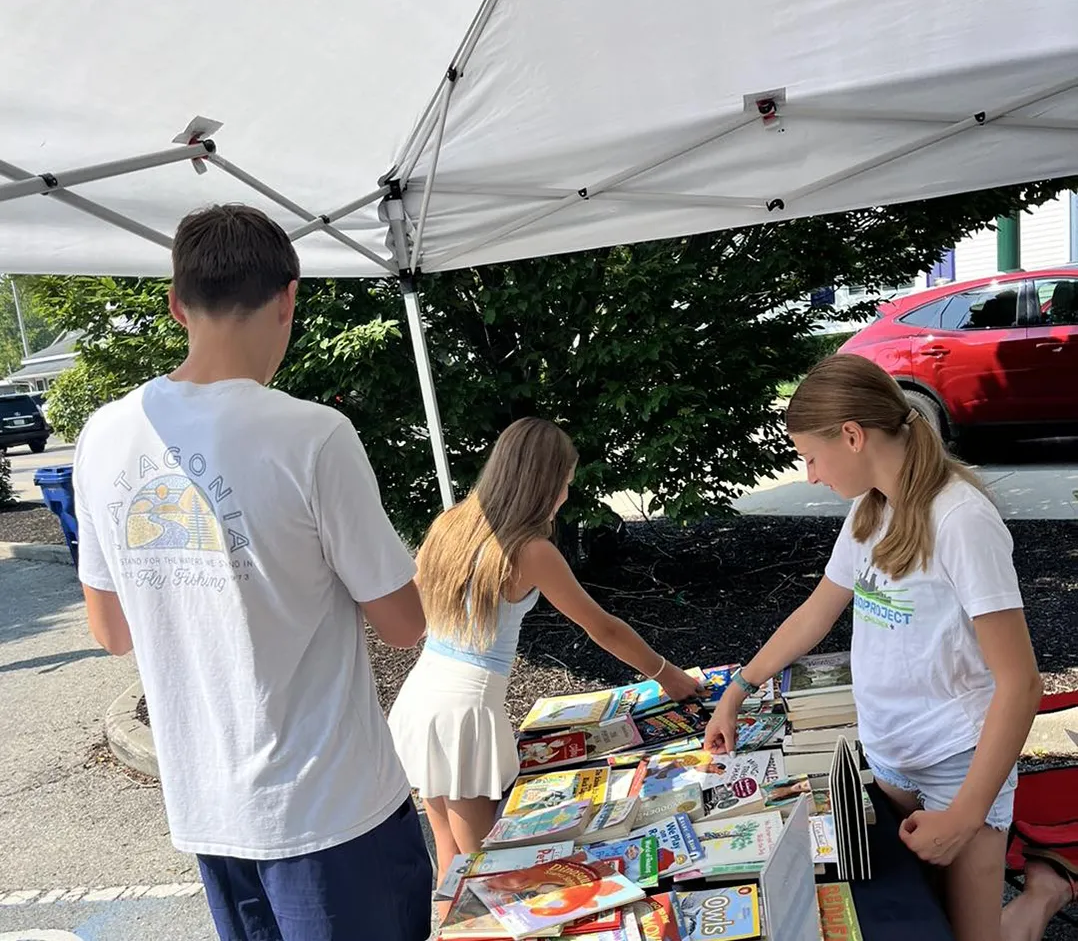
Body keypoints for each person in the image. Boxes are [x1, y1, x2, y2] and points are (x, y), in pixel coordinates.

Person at [73, 204, 433, 941]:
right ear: (288, 296)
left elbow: (109, 631)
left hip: (210, 811)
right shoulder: (313, 434)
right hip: (333, 813)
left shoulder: (104, 435)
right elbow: (404, 624)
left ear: (177, 305)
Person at [703, 353, 1043, 941]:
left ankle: (1047, 890)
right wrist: (737, 690)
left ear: (853, 436)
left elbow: (1021, 682)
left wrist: (964, 816)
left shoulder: (961, 519)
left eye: (811, 456)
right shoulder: (870, 508)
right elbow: (816, 612)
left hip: (957, 764)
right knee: (921, 919)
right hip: (889, 758)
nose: (810, 474)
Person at [388, 417, 701, 912]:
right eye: (566, 484)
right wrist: (667, 673)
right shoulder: (530, 550)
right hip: (464, 714)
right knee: (487, 878)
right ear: (546, 482)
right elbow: (603, 628)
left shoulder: (449, 526)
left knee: (451, 866)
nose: (565, 496)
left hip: (421, 699)